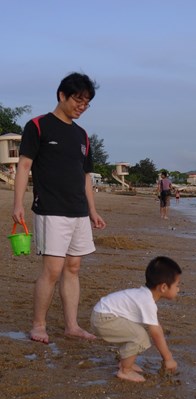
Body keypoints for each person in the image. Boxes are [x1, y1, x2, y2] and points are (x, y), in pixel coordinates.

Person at [12, 72, 106, 344]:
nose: (82, 106)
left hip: (78, 211)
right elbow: (25, 166)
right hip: (50, 209)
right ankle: (38, 325)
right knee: (52, 269)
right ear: (61, 95)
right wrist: (17, 203)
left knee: (73, 268)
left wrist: (93, 210)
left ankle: (71, 325)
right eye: (78, 100)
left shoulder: (82, 135)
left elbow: (85, 176)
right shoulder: (38, 126)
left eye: (87, 103)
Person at [91, 256, 181, 383]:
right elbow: (156, 333)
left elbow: (156, 326)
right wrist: (168, 358)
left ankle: (125, 362)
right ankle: (125, 370)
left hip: (102, 313)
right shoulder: (147, 302)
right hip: (103, 319)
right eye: (177, 285)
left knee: (134, 330)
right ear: (164, 287)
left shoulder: (143, 295)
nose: (178, 289)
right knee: (140, 336)